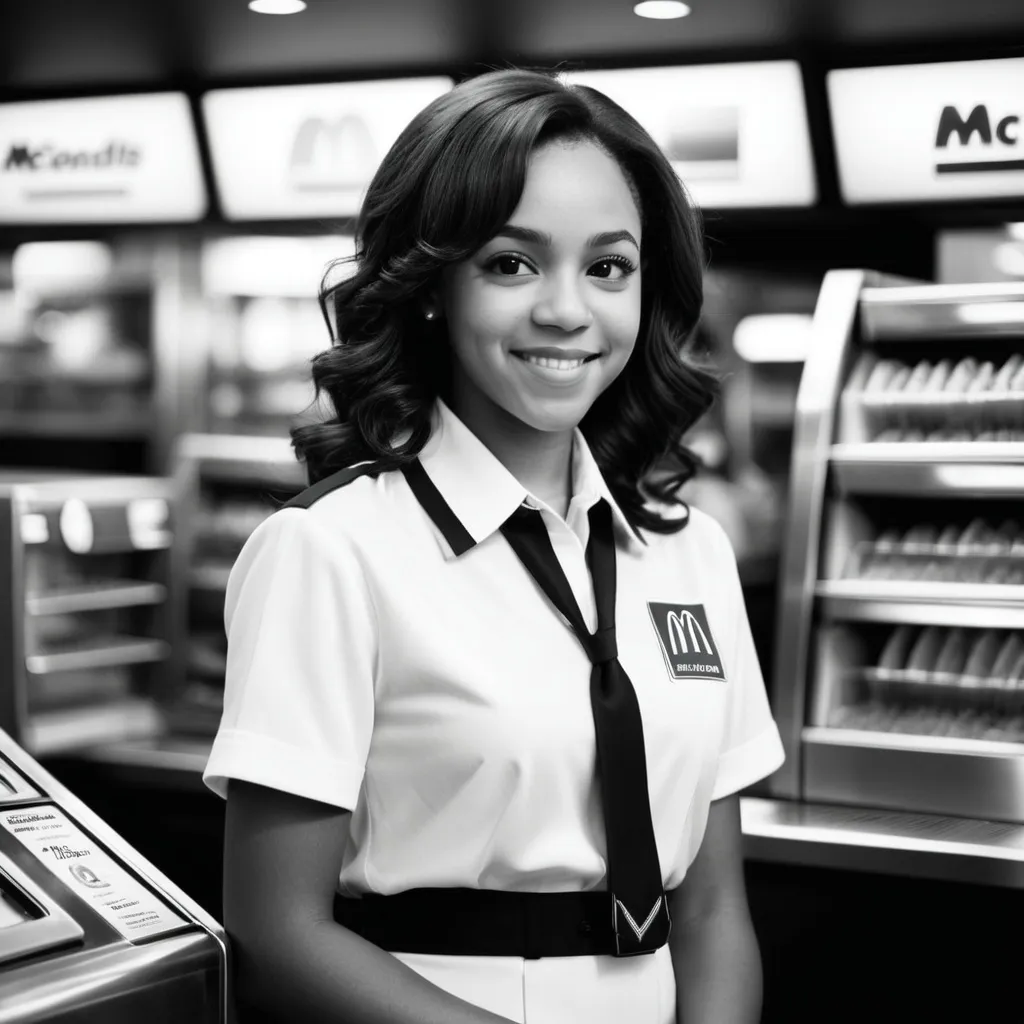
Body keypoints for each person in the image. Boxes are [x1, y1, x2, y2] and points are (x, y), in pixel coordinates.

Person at [203, 67, 785, 1024]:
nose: (566, 309)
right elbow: (276, 932)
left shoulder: (690, 552)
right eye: (512, 263)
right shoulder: (328, 551)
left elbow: (714, 907)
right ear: (432, 285)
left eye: (608, 267)